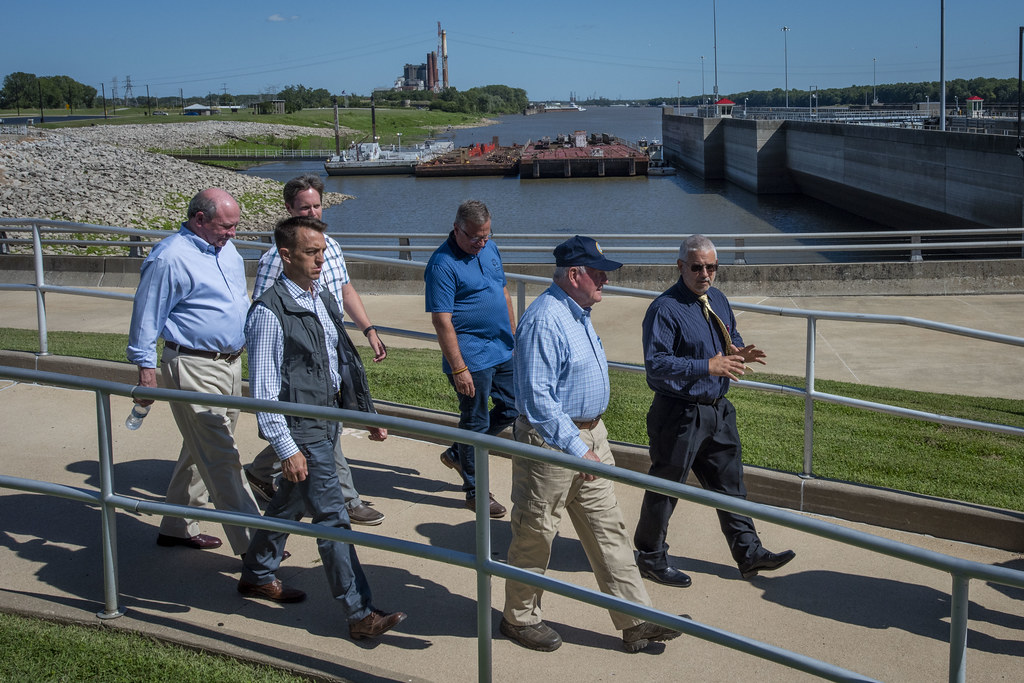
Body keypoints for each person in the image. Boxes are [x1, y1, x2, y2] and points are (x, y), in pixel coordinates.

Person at [501, 236, 681, 653]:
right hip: (551, 442)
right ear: (574, 274)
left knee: (607, 527)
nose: (606, 279)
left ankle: (637, 620)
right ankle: (519, 618)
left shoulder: (579, 312)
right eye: (598, 271)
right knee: (537, 531)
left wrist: (589, 442)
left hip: (589, 437)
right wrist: (576, 446)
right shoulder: (545, 319)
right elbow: (538, 400)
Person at [239, 215, 406, 640]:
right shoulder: (268, 313)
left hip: (327, 420)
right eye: (312, 252)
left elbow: (340, 364)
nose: (321, 259)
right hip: (302, 427)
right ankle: (359, 613)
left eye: (323, 251)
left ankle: (257, 573)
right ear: (286, 255)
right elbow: (262, 392)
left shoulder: (322, 298)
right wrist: (285, 446)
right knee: (332, 518)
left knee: (289, 502)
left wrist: (364, 415)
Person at [633, 234, 795, 587]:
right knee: (666, 487)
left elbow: (729, 337)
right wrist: (707, 366)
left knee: (731, 485)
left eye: (712, 267)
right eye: (697, 267)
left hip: (717, 410)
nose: (705, 273)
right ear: (680, 267)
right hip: (679, 414)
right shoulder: (664, 309)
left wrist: (737, 353)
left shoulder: (717, 299)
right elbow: (656, 364)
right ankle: (649, 555)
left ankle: (749, 553)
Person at [246, 174, 386, 526]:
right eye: (304, 207)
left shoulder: (330, 246)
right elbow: (264, 311)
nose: (312, 211)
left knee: (321, 426)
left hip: (331, 341)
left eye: (316, 205)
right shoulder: (277, 259)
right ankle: (346, 501)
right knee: (326, 425)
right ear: (289, 209)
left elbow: (346, 291)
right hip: (301, 354)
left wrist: (367, 329)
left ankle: (262, 471)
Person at [126, 188, 260, 554]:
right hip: (192, 365)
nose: (232, 233)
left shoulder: (226, 249)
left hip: (230, 363)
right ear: (199, 219)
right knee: (222, 455)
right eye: (226, 226)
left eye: (235, 226)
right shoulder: (169, 257)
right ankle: (256, 549)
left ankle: (176, 525)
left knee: (200, 447)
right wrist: (146, 371)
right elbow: (146, 315)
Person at [424, 199, 515, 518]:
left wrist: (513, 337)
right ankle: (476, 490)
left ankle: (461, 451)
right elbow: (442, 321)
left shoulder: (490, 249)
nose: (481, 243)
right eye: (475, 237)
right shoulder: (441, 264)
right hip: (471, 357)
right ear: (457, 229)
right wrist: (458, 367)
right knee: (474, 421)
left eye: (486, 235)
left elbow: (503, 291)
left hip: (502, 349)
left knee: (514, 406)